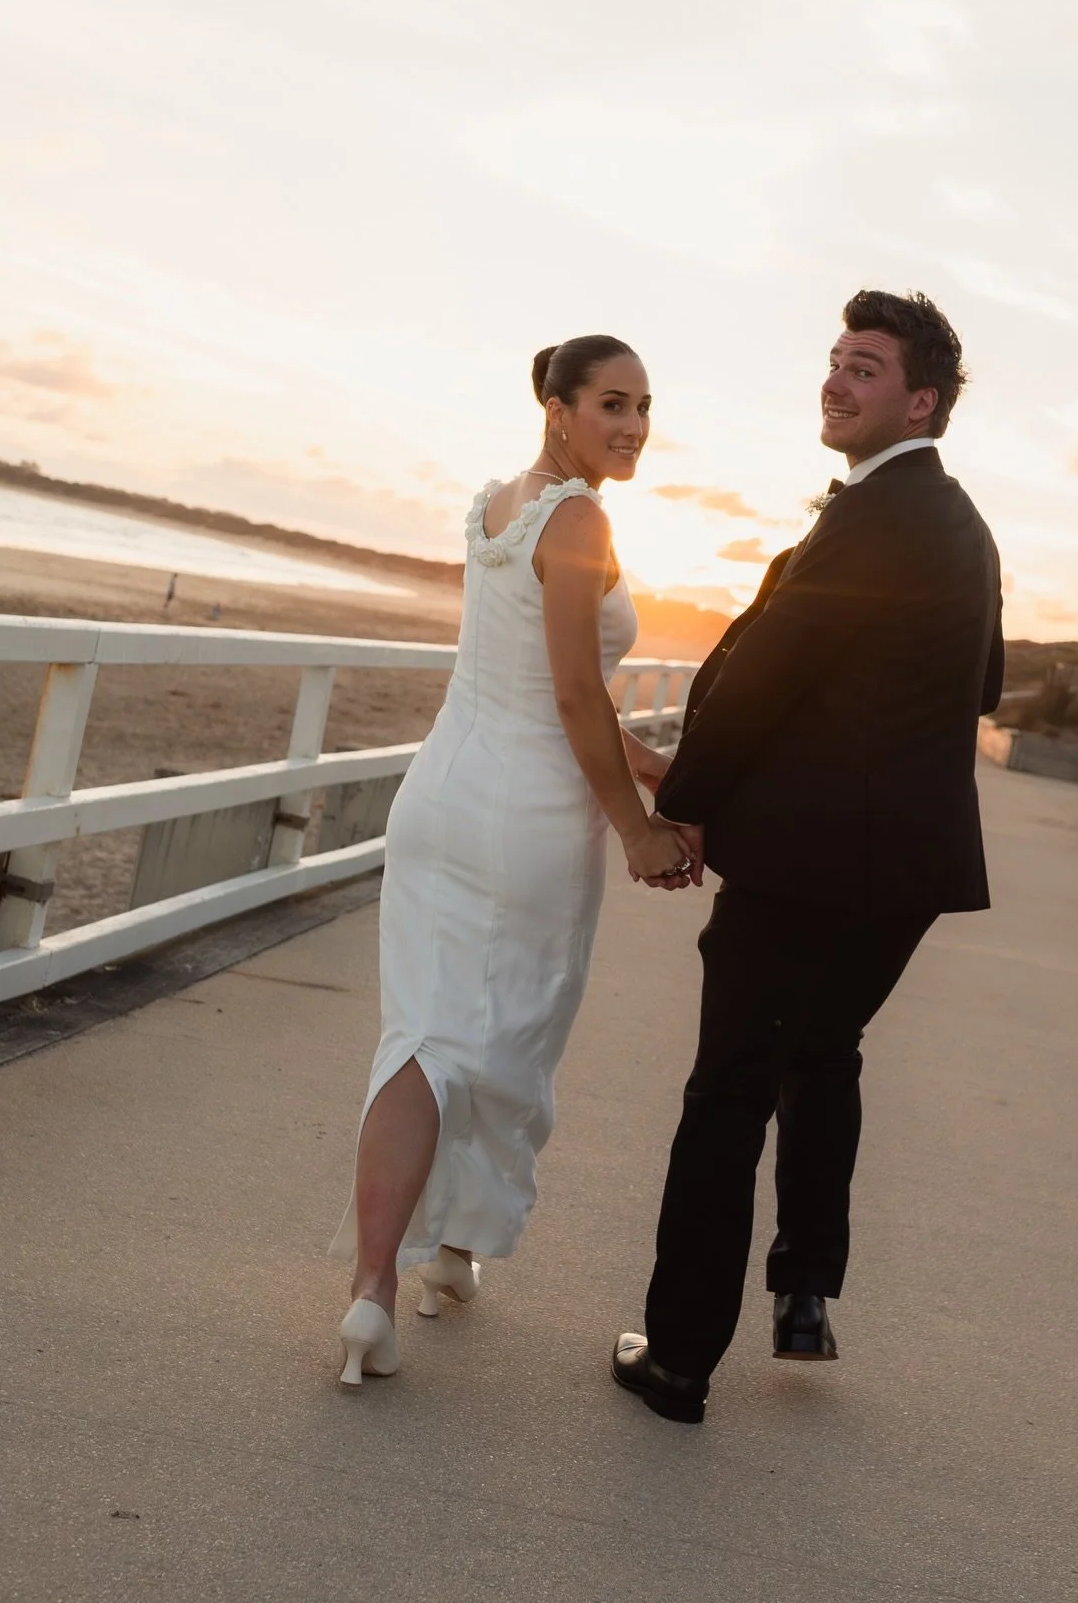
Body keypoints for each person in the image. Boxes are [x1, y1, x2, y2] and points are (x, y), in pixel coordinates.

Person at [612, 289, 1004, 1423]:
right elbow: (981, 686)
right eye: (835, 360)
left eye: (866, 368)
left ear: (920, 400)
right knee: (824, 1055)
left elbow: (774, 671)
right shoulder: (960, 524)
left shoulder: (878, 516)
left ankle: (678, 1357)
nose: (836, 380)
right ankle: (804, 1292)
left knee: (729, 1089)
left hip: (810, 865)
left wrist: (680, 804)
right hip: (906, 870)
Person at [330, 336, 696, 1387]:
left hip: (441, 796)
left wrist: (657, 769)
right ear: (557, 407)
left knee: (426, 1035)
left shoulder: (496, 503)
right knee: (508, 1035)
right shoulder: (579, 518)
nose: (631, 425)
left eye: (643, 406)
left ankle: (388, 1284)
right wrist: (635, 823)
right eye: (611, 403)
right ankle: (436, 1253)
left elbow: (547, 685)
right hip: (528, 817)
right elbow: (576, 697)